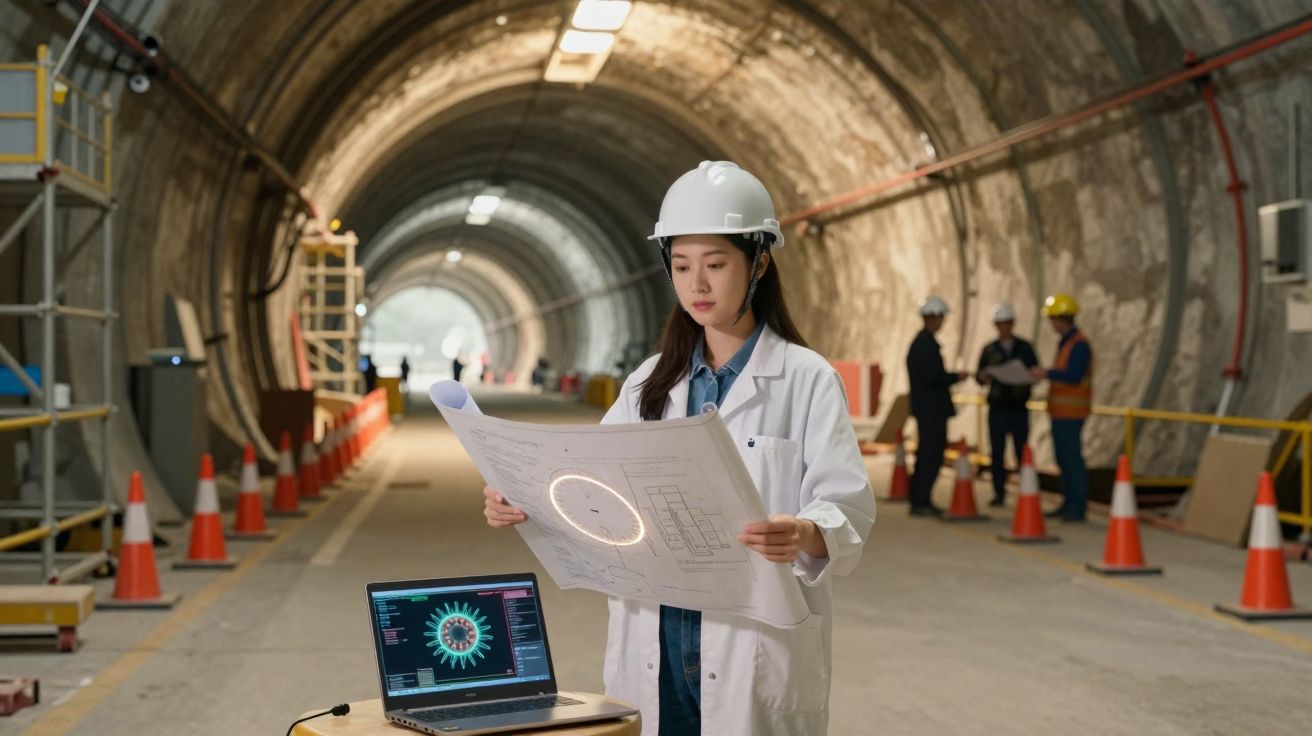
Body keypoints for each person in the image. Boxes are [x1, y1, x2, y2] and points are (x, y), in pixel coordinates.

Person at [482, 161, 874, 735]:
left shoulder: (806, 379)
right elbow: (588, 483)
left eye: (716, 264)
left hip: (753, 643)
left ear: (759, 263)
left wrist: (804, 532)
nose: (698, 285)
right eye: (682, 266)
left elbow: (847, 505)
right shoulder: (648, 382)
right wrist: (519, 497)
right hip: (657, 639)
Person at [1031, 293, 1093, 522]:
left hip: (1072, 414)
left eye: (1052, 319)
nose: (1051, 324)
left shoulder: (1079, 345)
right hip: (1060, 413)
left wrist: (1047, 373)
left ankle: (1076, 506)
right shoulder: (1066, 342)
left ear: (1061, 318)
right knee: (1063, 459)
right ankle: (1068, 503)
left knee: (1072, 460)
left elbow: (1074, 376)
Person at [906, 296, 969, 516]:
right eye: (941, 318)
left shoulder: (923, 342)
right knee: (931, 453)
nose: (942, 322)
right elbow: (934, 377)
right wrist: (955, 377)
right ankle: (921, 500)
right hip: (931, 410)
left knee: (928, 452)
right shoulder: (925, 345)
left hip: (927, 409)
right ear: (933, 318)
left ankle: (920, 499)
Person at [975, 303, 1038, 507]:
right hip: (998, 407)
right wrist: (984, 376)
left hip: (1019, 407)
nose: (1004, 327)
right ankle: (999, 492)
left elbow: (1035, 371)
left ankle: (1026, 492)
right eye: (1001, 324)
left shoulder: (1024, 348)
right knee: (997, 451)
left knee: (1022, 451)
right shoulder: (989, 349)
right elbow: (979, 375)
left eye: (1007, 323)